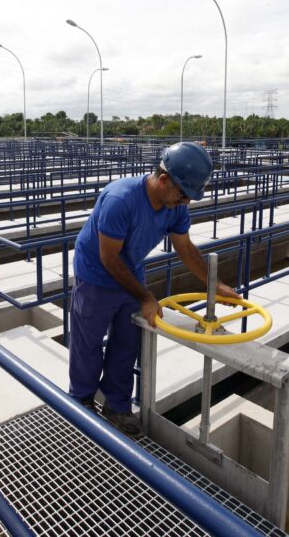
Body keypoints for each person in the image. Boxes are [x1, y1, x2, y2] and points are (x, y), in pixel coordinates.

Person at [68, 142, 240, 437]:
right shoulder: (121, 199)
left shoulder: (175, 206)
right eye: (183, 195)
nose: (186, 202)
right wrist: (145, 296)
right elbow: (109, 258)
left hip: (130, 273)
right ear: (163, 180)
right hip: (96, 275)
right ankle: (81, 401)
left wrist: (214, 285)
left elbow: (184, 247)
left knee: (126, 345)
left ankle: (117, 406)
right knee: (88, 343)